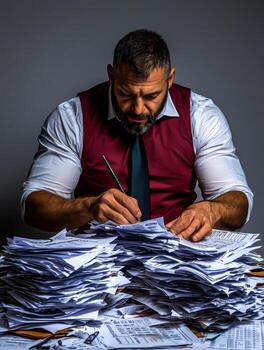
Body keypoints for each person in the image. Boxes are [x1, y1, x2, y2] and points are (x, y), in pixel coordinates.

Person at [21, 29, 253, 242]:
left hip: (176, 265)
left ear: (169, 80)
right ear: (111, 76)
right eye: (126, 94)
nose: (139, 108)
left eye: (151, 96)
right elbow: (34, 206)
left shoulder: (201, 116)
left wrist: (212, 211)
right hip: (97, 271)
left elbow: (238, 203)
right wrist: (88, 207)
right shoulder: (72, 117)